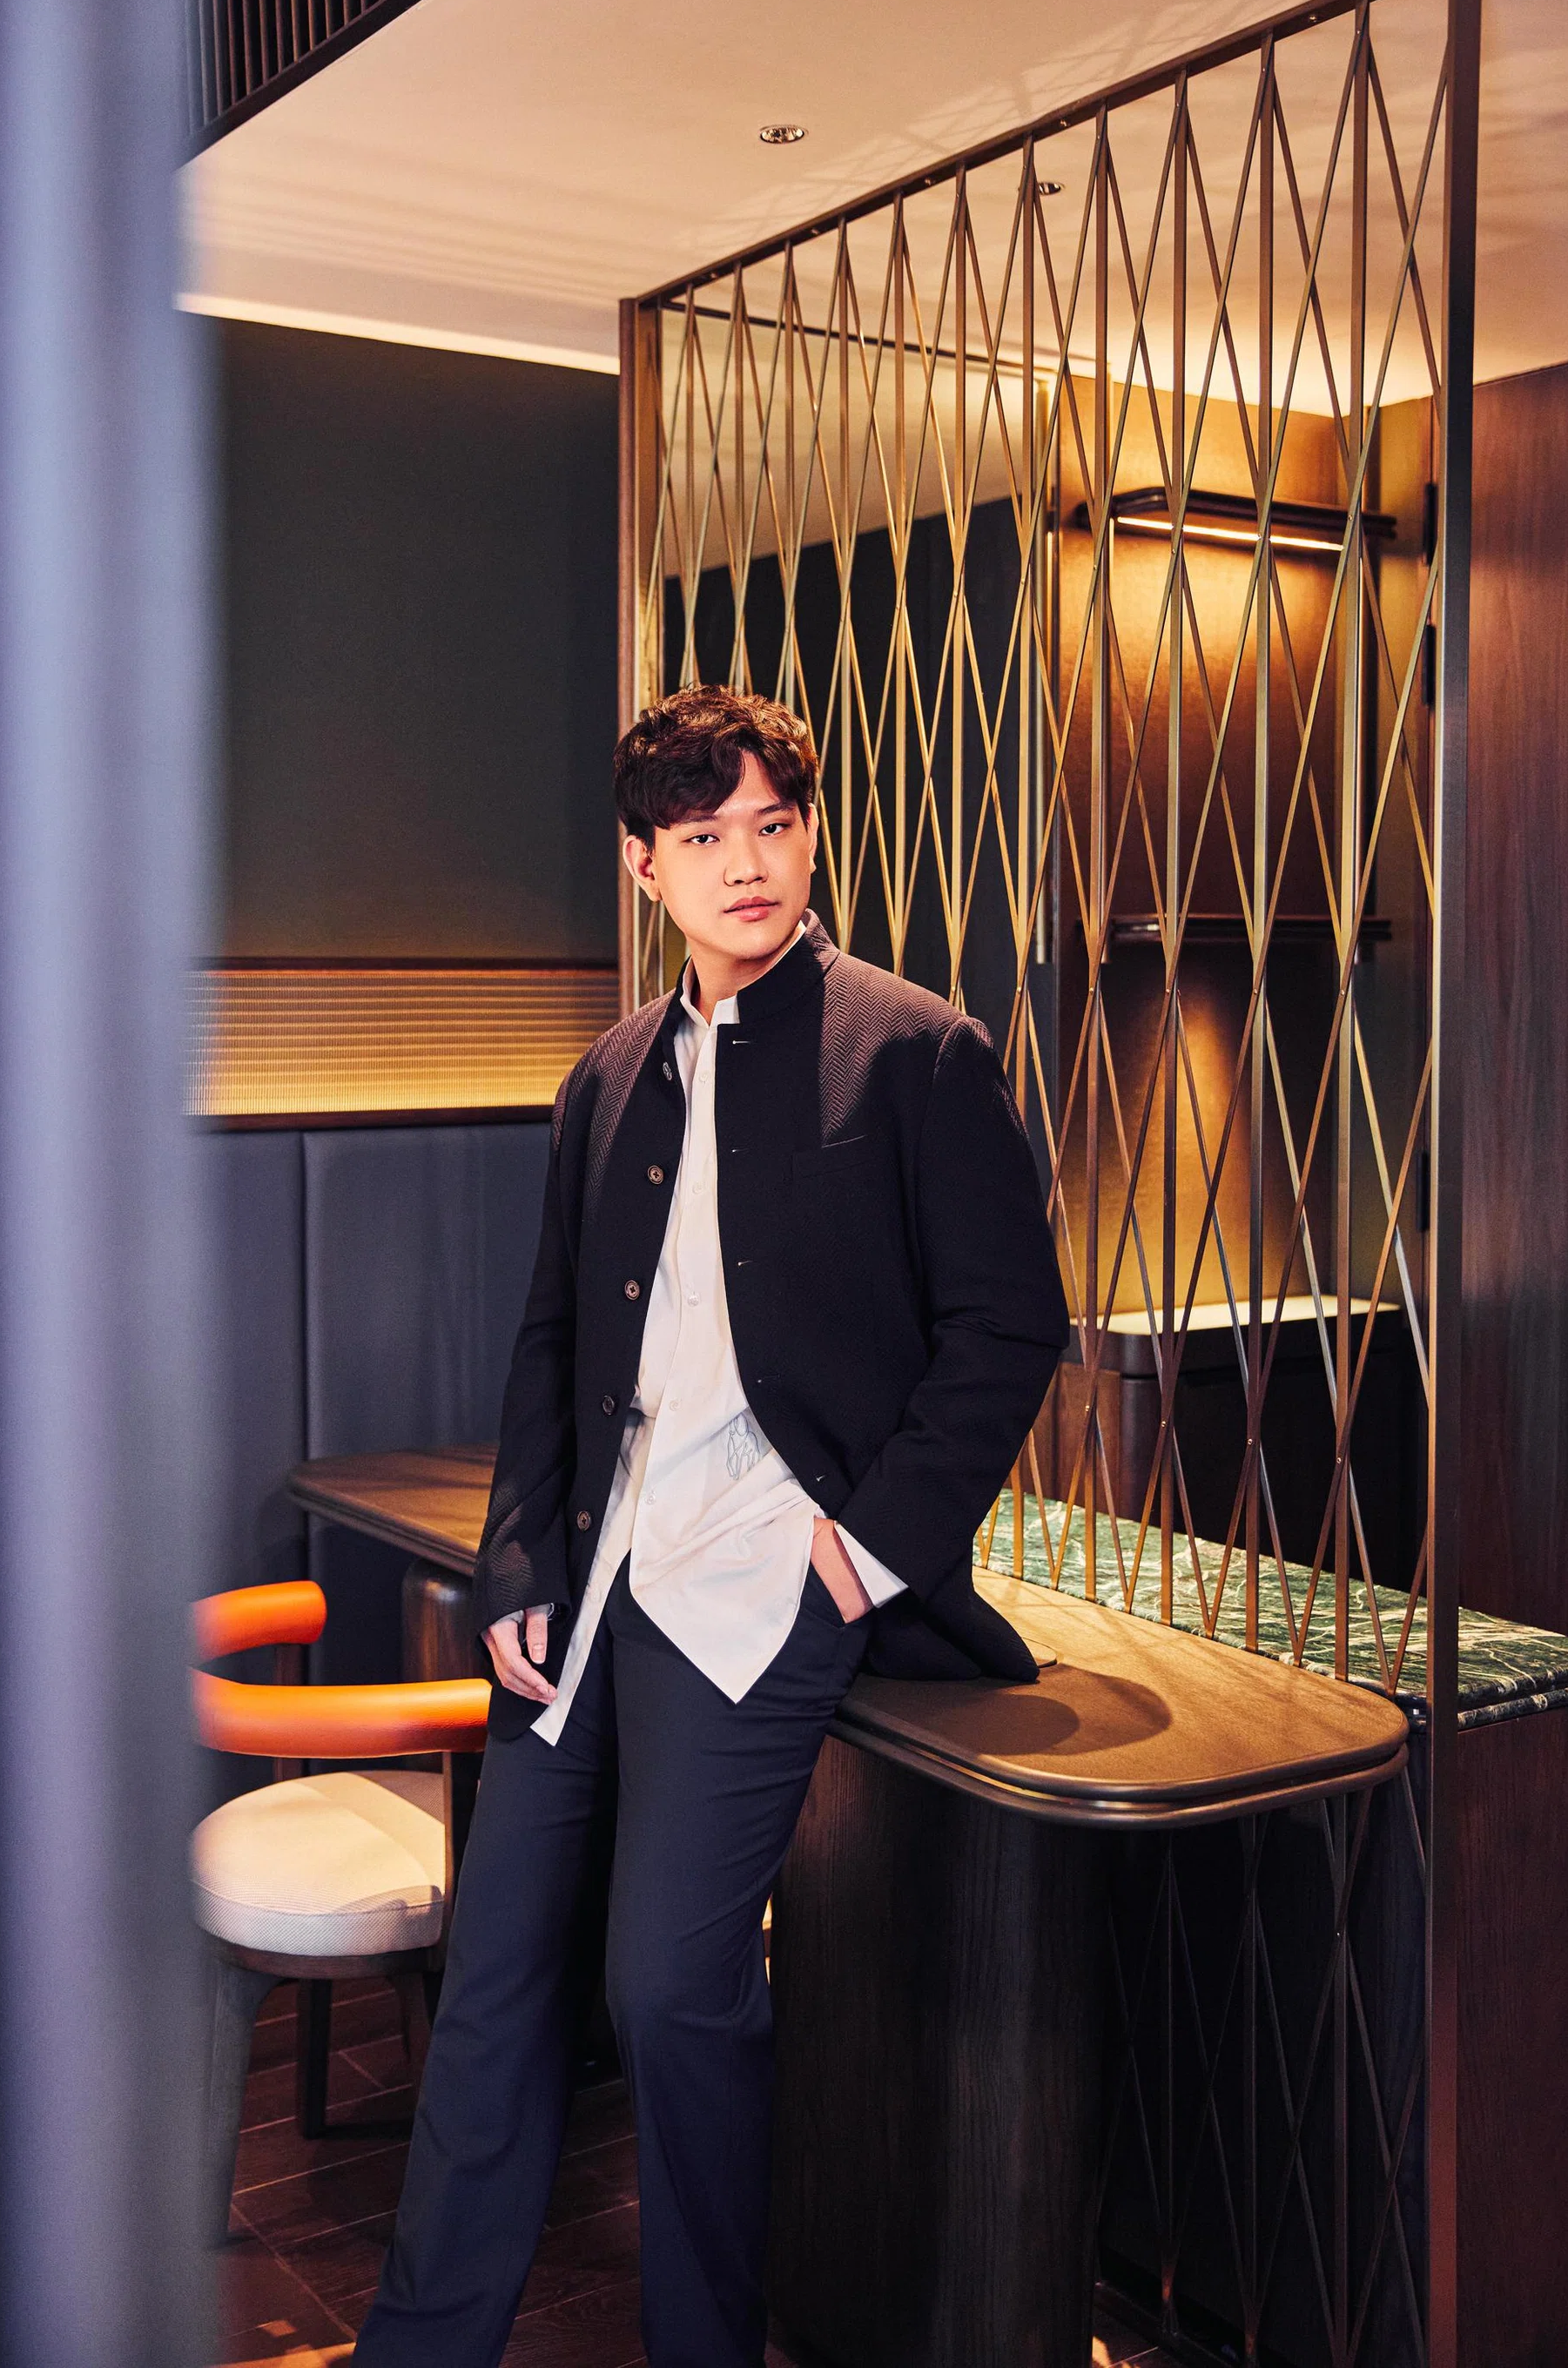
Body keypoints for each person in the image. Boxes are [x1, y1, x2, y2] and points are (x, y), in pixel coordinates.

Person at [351, 684, 1069, 2368]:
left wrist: (862, 1550)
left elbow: (1010, 1326)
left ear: (808, 838)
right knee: (495, 1984)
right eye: (703, 835)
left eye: (773, 825)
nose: (746, 863)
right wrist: (516, 1564)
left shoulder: (914, 1049)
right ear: (644, 864)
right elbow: (551, 1343)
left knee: (671, 1989)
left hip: (767, 1579)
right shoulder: (606, 1075)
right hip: (591, 1579)